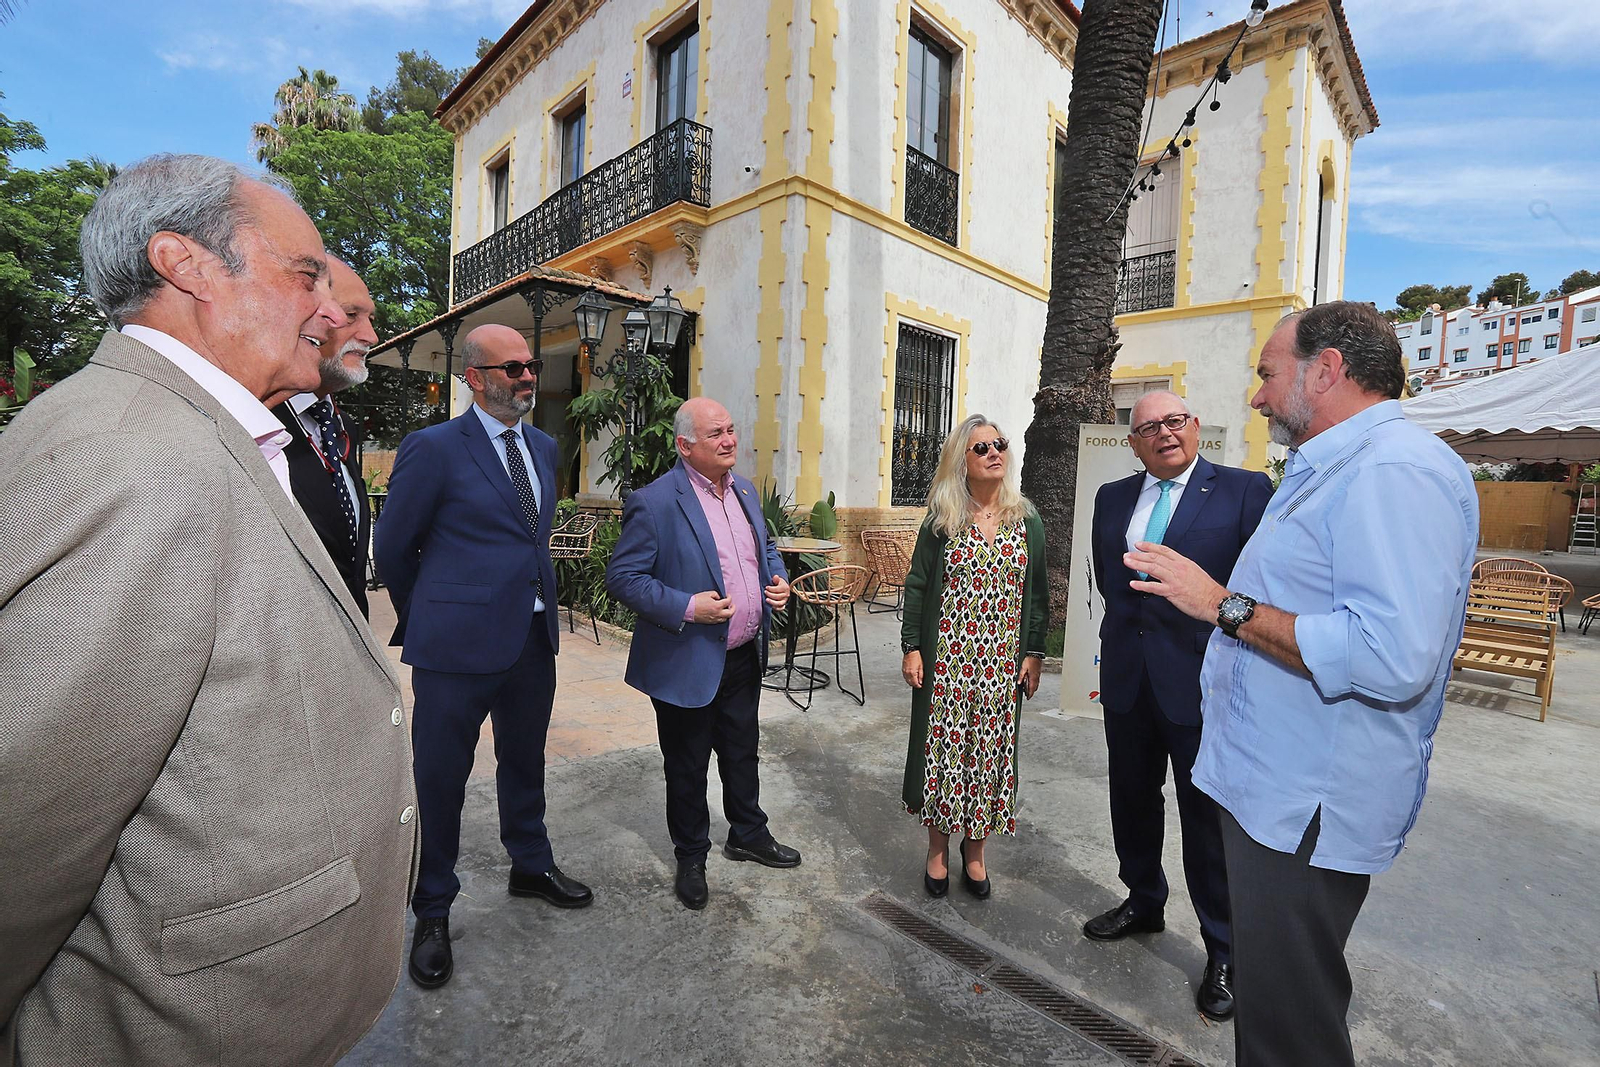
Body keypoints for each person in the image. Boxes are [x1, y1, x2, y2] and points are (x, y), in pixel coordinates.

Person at [0, 154, 416, 1067]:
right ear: (187, 266)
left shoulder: (198, 434)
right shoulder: (132, 461)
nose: (329, 305)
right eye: (304, 273)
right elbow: (23, 837)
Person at [1128, 301, 1477, 1066]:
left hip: (1305, 811)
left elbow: (1389, 655)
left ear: (1326, 371)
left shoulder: (1396, 472)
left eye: (1266, 373)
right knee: (1276, 1009)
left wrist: (1224, 604)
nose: (1256, 396)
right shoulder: (1340, 466)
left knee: (1292, 1033)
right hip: (1275, 798)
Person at [374, 323, 592, 990]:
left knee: (523, 763)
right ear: (475, 377)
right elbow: (392, 550)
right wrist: (437, 618)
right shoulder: (434, 448)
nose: (528, 376)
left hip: (531, 641)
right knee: (440, 779)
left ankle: (530, 863)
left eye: (530, 366)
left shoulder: (546, 446)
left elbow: (529, 543)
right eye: (513, 368)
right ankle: (433, 905)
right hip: (454, 650)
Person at [1084, 391, 1272, 1021]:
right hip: (1129, 682)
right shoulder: (1112, 498)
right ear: (1133, 443)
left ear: (1196, 428)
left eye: (1174, 421)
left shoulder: (1246, 491)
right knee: (1131, 799)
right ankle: (1143, 901)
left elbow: (1259, 592)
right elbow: (1111, 584)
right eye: (1148, 428)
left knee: (1206, 822)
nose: (1163, 433)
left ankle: (1224, 951)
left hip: (1203, 685)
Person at [605, 397, 801, 911]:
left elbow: (765, 549)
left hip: (741, 655)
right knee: (687, 765)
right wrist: (687, 606)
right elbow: (623, 578)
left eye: (732, 429)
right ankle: (691, 855)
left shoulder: (744, 490)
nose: (730, 440)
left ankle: (748, 833)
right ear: (685, 445)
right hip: (686, 658)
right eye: (717, 433)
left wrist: (775, 580)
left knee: (742, 752)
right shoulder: (654, 501)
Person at [900, 415, 1048, 900]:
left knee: (991, 757)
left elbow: (1038, 594)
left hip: (1002, 663)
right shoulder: (941, 519)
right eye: (981, 447)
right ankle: (938, 851)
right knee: (942, 757)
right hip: (947, 661)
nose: (994, 453)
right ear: (961, 459)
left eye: (999, 445)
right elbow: (918, 585)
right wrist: (912, 646)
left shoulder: (1025, 520)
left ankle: (976, 851)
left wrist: (1034, 651)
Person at [272, 257, 378, 614]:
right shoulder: (251, 418)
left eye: (371, 319)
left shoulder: (341, 426)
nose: (370, 337)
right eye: (351, 316)